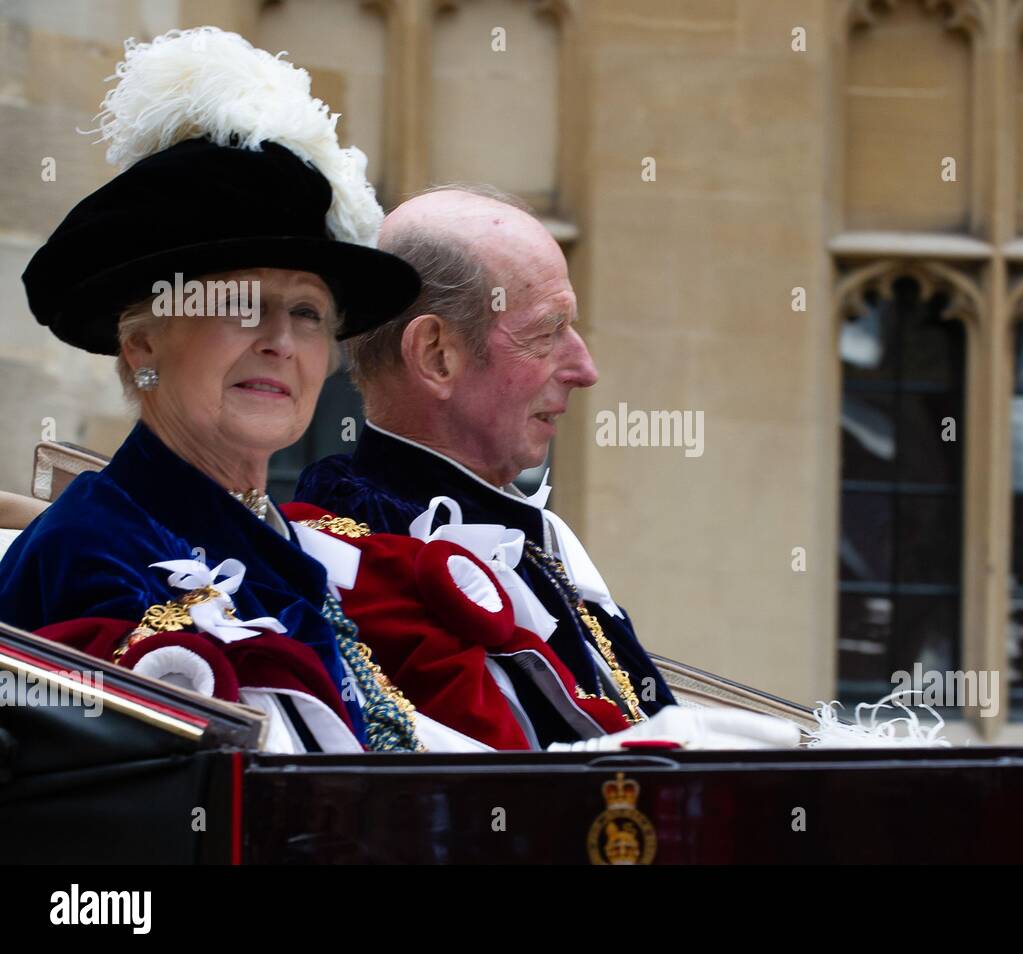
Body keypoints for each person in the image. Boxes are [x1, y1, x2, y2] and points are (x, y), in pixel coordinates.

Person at [0, 27, 485, 754]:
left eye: (307, 314)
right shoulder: (91, 548)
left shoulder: (272, 535)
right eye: (237, 307)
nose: (280, 342)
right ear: (142, 347)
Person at [295, 187, 802, 750]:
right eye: (546, 333)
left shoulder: (533, 534)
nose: (585, 369)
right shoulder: (346, 560)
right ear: (437, 354)